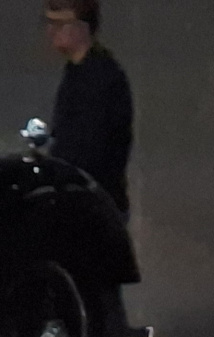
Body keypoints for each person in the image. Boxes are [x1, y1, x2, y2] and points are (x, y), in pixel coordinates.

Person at [46, 0, 133, 215]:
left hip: (93, 207)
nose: (51, 31)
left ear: (83, 27)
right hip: (82, 202)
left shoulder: (101, 77)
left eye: (60, 24)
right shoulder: (76, 72)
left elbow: (89, 149)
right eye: (49, 23)